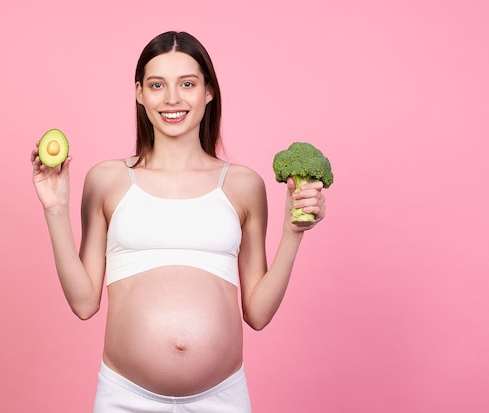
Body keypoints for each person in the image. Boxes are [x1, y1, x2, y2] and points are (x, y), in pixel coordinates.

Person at [31, 31, 326, 413]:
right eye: (157, 85)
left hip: (222, 400)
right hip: (125, 398)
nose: (172, 98)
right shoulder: (106, 180)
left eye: (187, 83)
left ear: (208, 91)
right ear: (139, 93)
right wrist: (55, 209)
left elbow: (257, 313)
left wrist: (293, 232)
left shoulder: (243, 185)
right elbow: (84, 302)